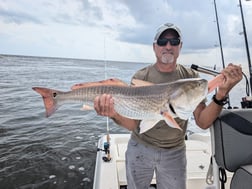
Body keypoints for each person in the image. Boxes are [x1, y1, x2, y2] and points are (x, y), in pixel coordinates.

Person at [94, 23, 243, 189]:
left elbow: (202, 122)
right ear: (154, 46)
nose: (168, 46)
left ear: (180, 46)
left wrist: (221, 94)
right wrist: (114, 114)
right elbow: (134, 124)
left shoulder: (191, 77)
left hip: (174, 152)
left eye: (174, 41)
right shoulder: (142, 76)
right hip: (140, 147)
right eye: (163, 41)